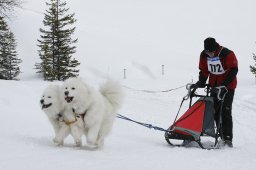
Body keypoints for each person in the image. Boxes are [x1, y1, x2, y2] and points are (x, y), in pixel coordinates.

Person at [192, 37, 238, 147]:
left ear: (215, 48)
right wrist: (201, 82)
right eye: (208, 52)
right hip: (214, 87)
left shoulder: (227, 53)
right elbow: (204, 70)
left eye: (211, 52)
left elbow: (233, 69)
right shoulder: (204, 55)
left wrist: (225, 84)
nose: (210, 54)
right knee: (215, 112)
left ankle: (227, 139)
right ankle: (220, 135)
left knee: (225, 112)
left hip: (227, 88)